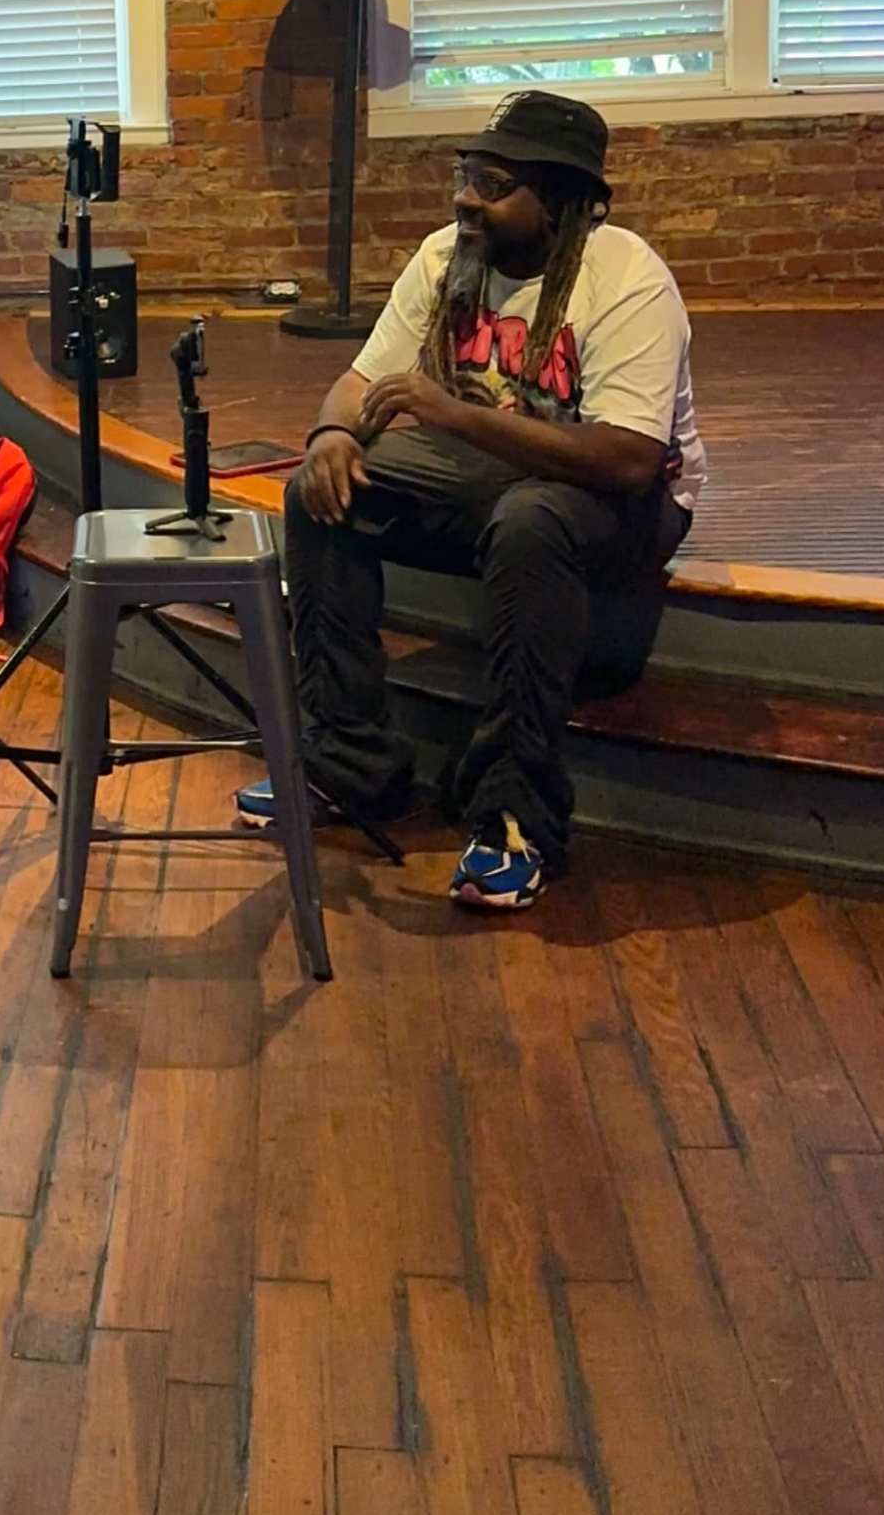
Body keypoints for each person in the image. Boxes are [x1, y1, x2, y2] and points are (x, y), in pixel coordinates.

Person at [254, 91, 703, 911]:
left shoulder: (626, 279)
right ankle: (349, 764)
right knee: (323, 493)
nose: (466, 198)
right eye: (465, 175)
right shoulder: (446, 256)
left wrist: (450, 413)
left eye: (493, 184)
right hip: (492, 474)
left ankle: (516, 816)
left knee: (530, 523)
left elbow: (630, 459)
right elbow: (360, 380)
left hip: (624, 502)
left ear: (560, 201)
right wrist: (330, 436)